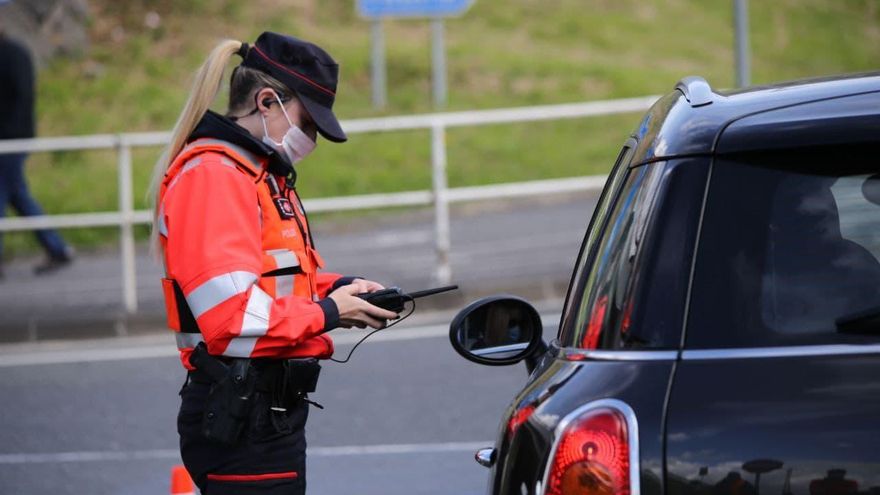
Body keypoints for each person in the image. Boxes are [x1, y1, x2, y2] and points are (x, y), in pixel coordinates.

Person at [150, 32, 398, 494]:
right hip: (242, 418)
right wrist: (330, 311)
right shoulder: (215, 177)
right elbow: (232, 317)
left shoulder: (251, 172)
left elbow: (275, 278)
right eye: (307, 124)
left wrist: (338, 289)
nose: (310, 141)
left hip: (263, 413)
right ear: (267, 102)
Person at [0, 29, 73, 278]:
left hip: (10, 140)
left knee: (6, 192)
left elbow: (21, 99)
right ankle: (56, 247)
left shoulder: (14, 55)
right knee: (17, 194)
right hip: (13, 137)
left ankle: (57, 247)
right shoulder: (15, 53)